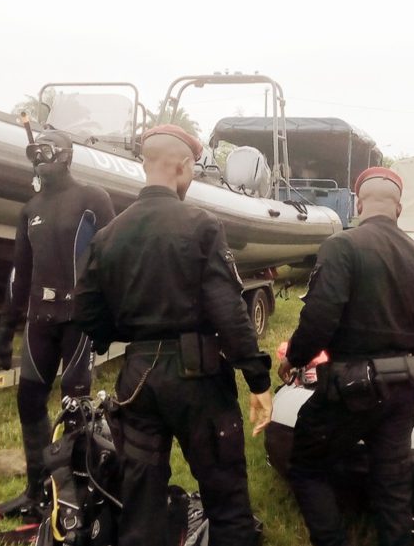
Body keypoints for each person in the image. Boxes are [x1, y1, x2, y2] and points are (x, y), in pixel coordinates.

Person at [74, 123, 273, 546]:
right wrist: (257, 379)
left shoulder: (109, 235)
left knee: (140, 504)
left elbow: (87, 311)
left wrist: (120, 332)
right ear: (183, 166)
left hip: (138, 379)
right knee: (227, 499)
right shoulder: (201, 224)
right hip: (198, 380)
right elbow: (228, 311)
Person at [277, 167, 414, 546]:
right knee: (392, 483)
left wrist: (296, 358)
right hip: (401, 389)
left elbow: (320, 316)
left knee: (307, 468)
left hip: (350, 389)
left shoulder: (343, 246)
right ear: (399, 208)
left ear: (357, 202)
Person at [0, 129, 115, 508]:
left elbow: (113, 257)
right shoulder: (30, 209)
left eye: (45, 152)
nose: (38, 160)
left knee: (75, 406)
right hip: (39, 320)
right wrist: (4, 328)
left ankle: (77, 493)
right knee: (29, 400)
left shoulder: (93, 199)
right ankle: (37, 489)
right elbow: (20, 272)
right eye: (34, 153)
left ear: (66, 156)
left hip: (77, 319)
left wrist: (110, 316)